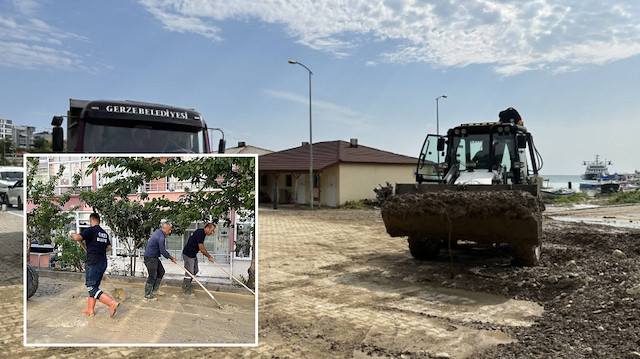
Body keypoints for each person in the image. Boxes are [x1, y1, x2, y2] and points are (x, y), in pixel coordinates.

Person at [70, 213, 119, 317]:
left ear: (90, 220)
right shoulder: (104, 233)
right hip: (102, 262)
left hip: (94, 262)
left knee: (91, 287)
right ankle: (90, 309)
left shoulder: (91, 230)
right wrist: (98, 249)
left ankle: (112, 303)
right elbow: (109, 247)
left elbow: (77, 237)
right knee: (94, 286)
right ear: (99, 221)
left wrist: (72, 233)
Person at [143, 221, 177, 300]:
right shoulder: (160, 237)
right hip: (150, 258)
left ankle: (155, 290)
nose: (170, 231)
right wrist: (171, 258)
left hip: (154, 257)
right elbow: (162, 251)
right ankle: (147, 294)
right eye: (169, 230)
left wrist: (169, 257)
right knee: (152, 276)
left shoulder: (158, 233)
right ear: (163, 228)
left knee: (161, 271)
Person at [181, 223, 216, 295]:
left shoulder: (202, 234)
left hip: (193, 254)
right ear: (207, 228)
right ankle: (186, 289)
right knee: (189, 272)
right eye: (212, 230)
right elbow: (201, 248)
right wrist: (209, 257)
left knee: (195, 271)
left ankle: (186, 285)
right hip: (188, 254)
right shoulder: (200, 233)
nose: (212, 232)